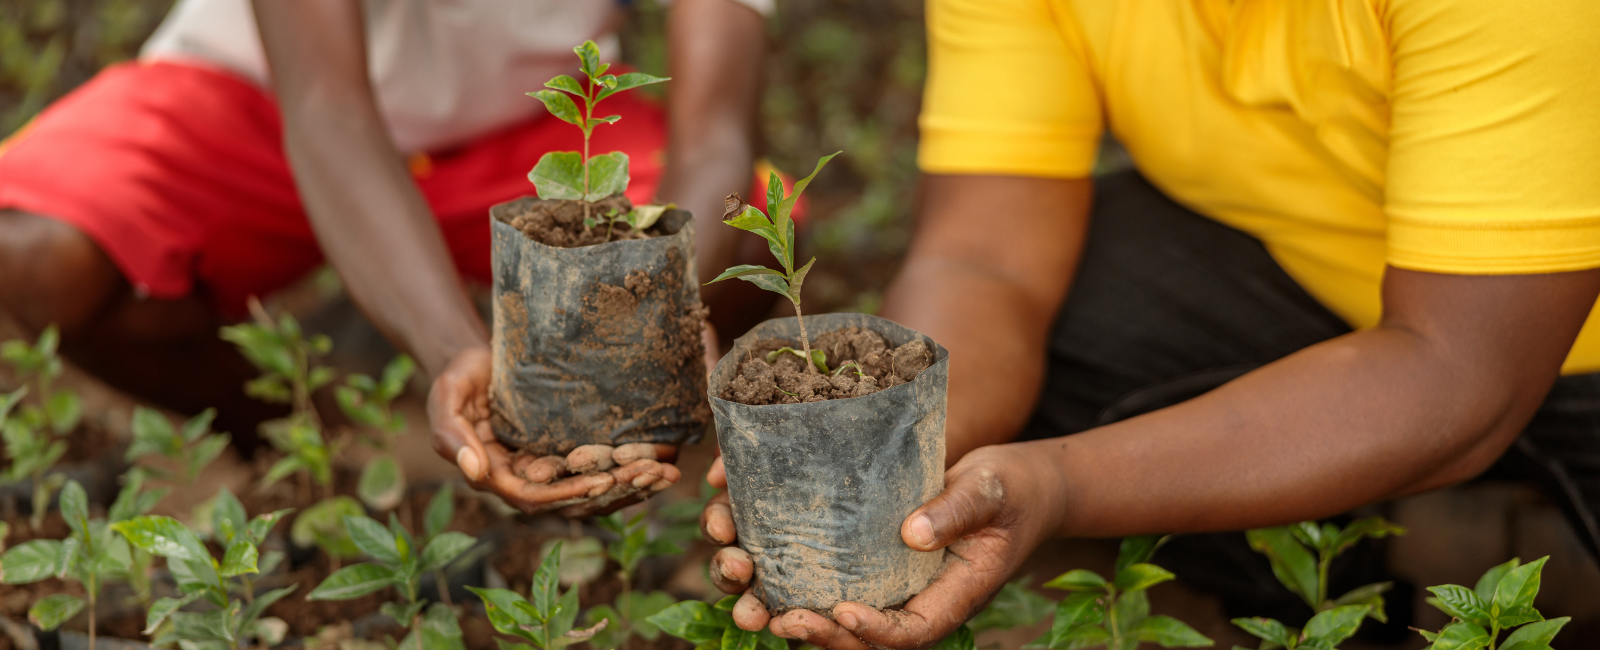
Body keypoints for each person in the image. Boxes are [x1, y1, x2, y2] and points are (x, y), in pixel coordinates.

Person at [701, 0, 1600, 647]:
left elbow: (1459, 370)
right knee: (1078, 316)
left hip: (1546, 341)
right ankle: (1343, 605)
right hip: (1323, 266)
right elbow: (989, 261)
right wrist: (897, 455)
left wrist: (1055, 487)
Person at [0, 0, 774, 515]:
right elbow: (328, 107)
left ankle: (578, 424)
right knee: (37, 255)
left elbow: (714, 136)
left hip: (529, 121)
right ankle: (296, 435)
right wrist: (455, 348)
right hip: (260, 101)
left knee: (757, 224)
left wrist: (660, 304)